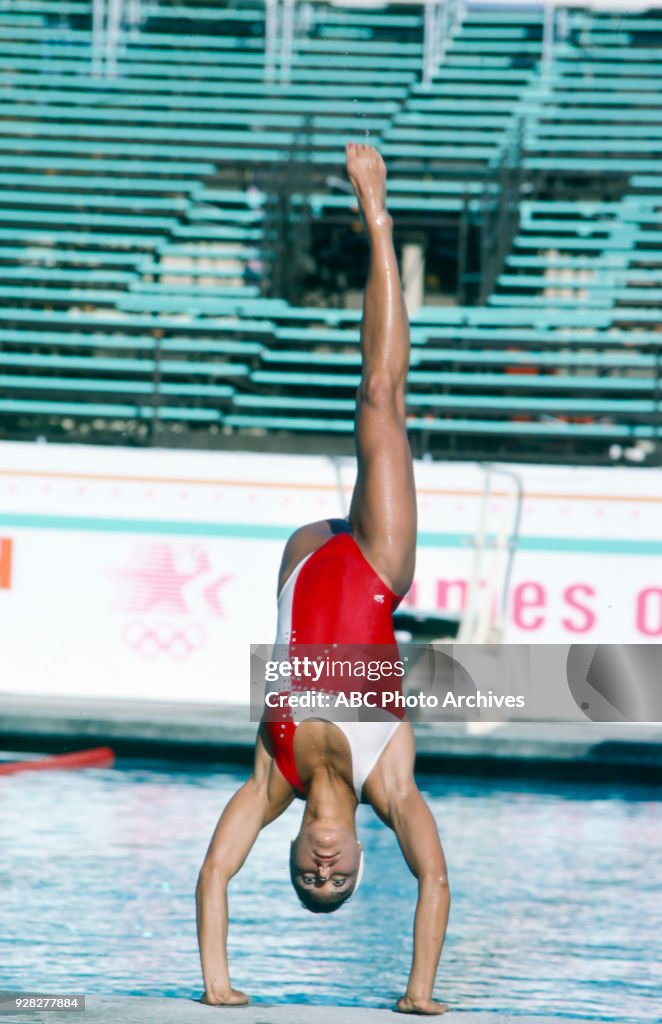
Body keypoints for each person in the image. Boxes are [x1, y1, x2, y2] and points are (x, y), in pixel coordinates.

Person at [196, 143, 450, 1016]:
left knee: (365, 404)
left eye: (311, 877)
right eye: (338, 883)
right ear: (359, 861)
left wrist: (219, 985)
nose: (326, 869)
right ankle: (377, 218)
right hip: (378, 566)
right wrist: (417, 994)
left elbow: (215, 873)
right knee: (378, 396)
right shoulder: (394, 782)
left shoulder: (272, 779)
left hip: (304, 559)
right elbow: (437, 880)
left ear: (298, 851)